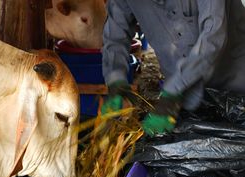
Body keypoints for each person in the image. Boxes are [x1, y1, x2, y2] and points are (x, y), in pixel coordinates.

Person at [101, 0, 245, 136]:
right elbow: (115, 34)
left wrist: (173, 91)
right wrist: (115, 79)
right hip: (184, 94)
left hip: (233, 81)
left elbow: (213, 37)